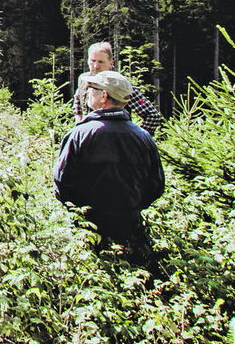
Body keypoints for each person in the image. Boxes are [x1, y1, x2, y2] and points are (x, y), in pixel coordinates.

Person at [54, 69, 166, 256]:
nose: (88, 91)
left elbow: (62, 183)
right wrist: (130, 208)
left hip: (86, 232)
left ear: (103, 96)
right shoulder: (143, 137)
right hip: (130, 227)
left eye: (92, 88)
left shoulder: (78, 135)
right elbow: (156, 185)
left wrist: (81, 212)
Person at [73, 42, 166, 132]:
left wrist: (135, 138)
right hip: (88, 140)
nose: (96, 66)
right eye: (93, 61)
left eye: (101, 62)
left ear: (111, 63)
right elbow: (78, 99)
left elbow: (152, 116)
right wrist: (78, 121)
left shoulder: (119, 85)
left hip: (115, 142)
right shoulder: (83, 79)